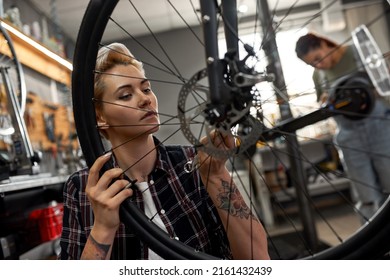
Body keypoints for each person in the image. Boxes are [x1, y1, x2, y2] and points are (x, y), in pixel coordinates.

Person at [58, 42, 269, 260]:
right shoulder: (82, 188)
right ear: (100, 117)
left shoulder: (195, 162)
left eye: (146, 88)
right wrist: (102, 227)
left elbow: (258, 260)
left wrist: (216, 176)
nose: (145, 99)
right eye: (125, 95)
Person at [295, 33, 390, 222]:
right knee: (366, 196)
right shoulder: (318, 75)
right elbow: (322, 101)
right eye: (312, 65)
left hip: (380, 128)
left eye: (317, 58)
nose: (318, 66)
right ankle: (374, 246)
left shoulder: (358, 53)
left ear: (324, 43)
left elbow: (384, 82)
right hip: (350, 136)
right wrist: (325, 100)